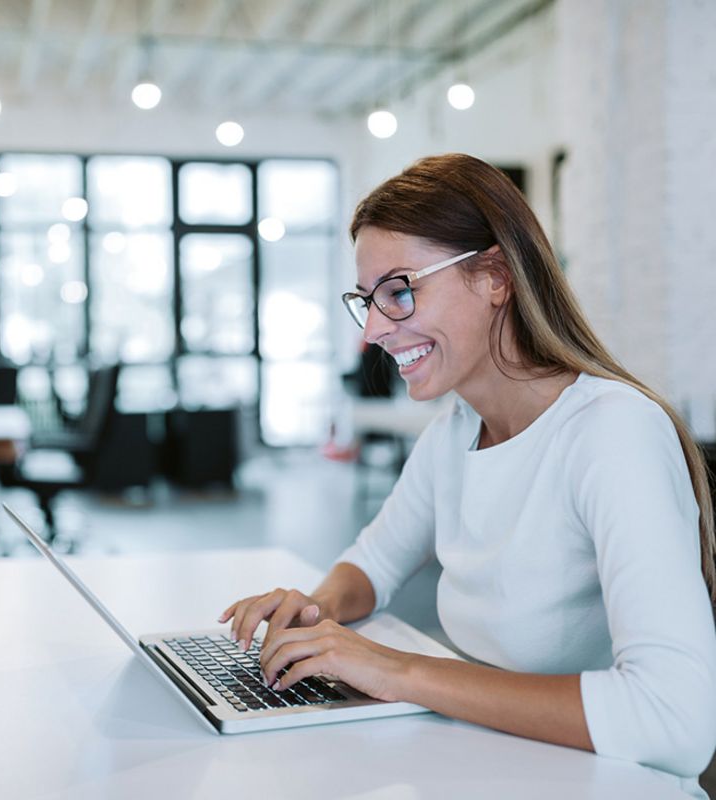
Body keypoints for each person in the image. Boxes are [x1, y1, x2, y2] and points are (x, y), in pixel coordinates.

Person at [220, 154, 716, 797]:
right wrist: (314, 613)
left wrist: (395, 670)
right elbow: (372, 563)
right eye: (367, 301)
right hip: (508, 765)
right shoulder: (457, 430)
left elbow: (674, 720)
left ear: (496, 277)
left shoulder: (613, 433)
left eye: (399, 291)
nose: (373, 330)